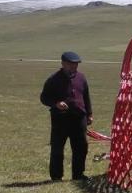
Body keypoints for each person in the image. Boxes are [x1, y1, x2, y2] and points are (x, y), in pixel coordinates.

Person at [39, 51, 92, 181]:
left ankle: (78, 175)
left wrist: (89, 114)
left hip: (79, 118)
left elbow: (86, 97)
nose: (74, 66)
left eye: (76, 64)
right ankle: (56, 176)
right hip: (60, 119)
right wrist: (56, 103)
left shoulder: (81, 78)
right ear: (63, 63)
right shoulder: (53, 79)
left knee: (81, 147)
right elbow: (44, 98)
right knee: (57, 147)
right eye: (71, 64)